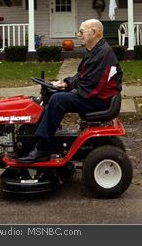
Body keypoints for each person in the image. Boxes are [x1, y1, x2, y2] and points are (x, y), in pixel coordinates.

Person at [18, 19, 123, 163]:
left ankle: (41, 148)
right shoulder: (95, 51)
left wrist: (67, 92)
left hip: (99, 100)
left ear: (93, 33)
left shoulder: (103, 54)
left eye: (81, 32)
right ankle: (37, 137)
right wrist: (65, 84)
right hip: (95, 95)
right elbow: (82, 76)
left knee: (58, 100)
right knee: (52, 94)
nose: (79, 35)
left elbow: (90, 86)